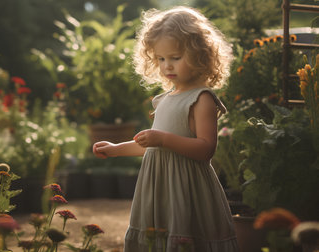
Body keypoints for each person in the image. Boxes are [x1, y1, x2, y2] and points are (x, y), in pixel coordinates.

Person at [92, 6, 239, 252]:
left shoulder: (202, 99)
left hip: (186, 189)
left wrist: (163, 139)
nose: (167, 66)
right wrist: (115, 149)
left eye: (175, 57)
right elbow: (151, 146)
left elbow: (206, 150)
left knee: (185, 239)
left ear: (200, 55)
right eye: (161, 59)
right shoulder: (165, 99)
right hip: (158, 189)